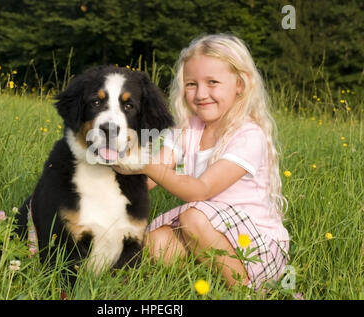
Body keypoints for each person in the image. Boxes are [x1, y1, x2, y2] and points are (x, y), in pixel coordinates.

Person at [114, 34, 290, 290]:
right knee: (154, 243)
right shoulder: (188, 129)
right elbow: (150, 178)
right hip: (208, 231)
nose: (201, 94)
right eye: (191, 84)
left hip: (255, 244)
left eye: (213, 82)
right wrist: (118, 172)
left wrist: (145, 163)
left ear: (240, 84)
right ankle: (207, 284)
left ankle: (250, 291)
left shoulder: (249, 135)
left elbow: (201, 190)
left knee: (193, 216)